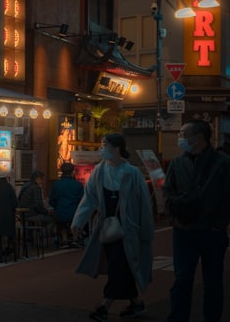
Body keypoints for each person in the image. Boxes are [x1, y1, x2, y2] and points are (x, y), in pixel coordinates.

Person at [163, 120, 230, 322]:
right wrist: (174, 216)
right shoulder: (178, 162)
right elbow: (168, 191)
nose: (180, 138)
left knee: (213, 282)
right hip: (183, 230)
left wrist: (218, 224)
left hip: (211, 232)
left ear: (198, 137)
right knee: (182, 280)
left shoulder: (224, 163)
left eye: (183, 134)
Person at [71, 133, 154, 322]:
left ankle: (103, 307)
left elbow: (144, 204)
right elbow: (89, 199)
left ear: (117, 148)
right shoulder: (99, 172)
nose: (101, 148)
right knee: (122, 267)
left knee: (118, 266)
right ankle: (135, 303)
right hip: (106, 229)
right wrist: (78, 221)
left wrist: (146, 231)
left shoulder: (133, 173)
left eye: (104, 145)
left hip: (128, 229)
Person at [50, 162, 84, 248]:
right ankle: (75, 238)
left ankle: (64, 240)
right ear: (73, 172)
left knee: (61, 223)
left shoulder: (56, 184)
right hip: (75, 212)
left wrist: (55, 206)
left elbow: (52, 200)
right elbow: (82, 200)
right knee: (75, 220)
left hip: (60, 211)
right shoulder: (78, 185)